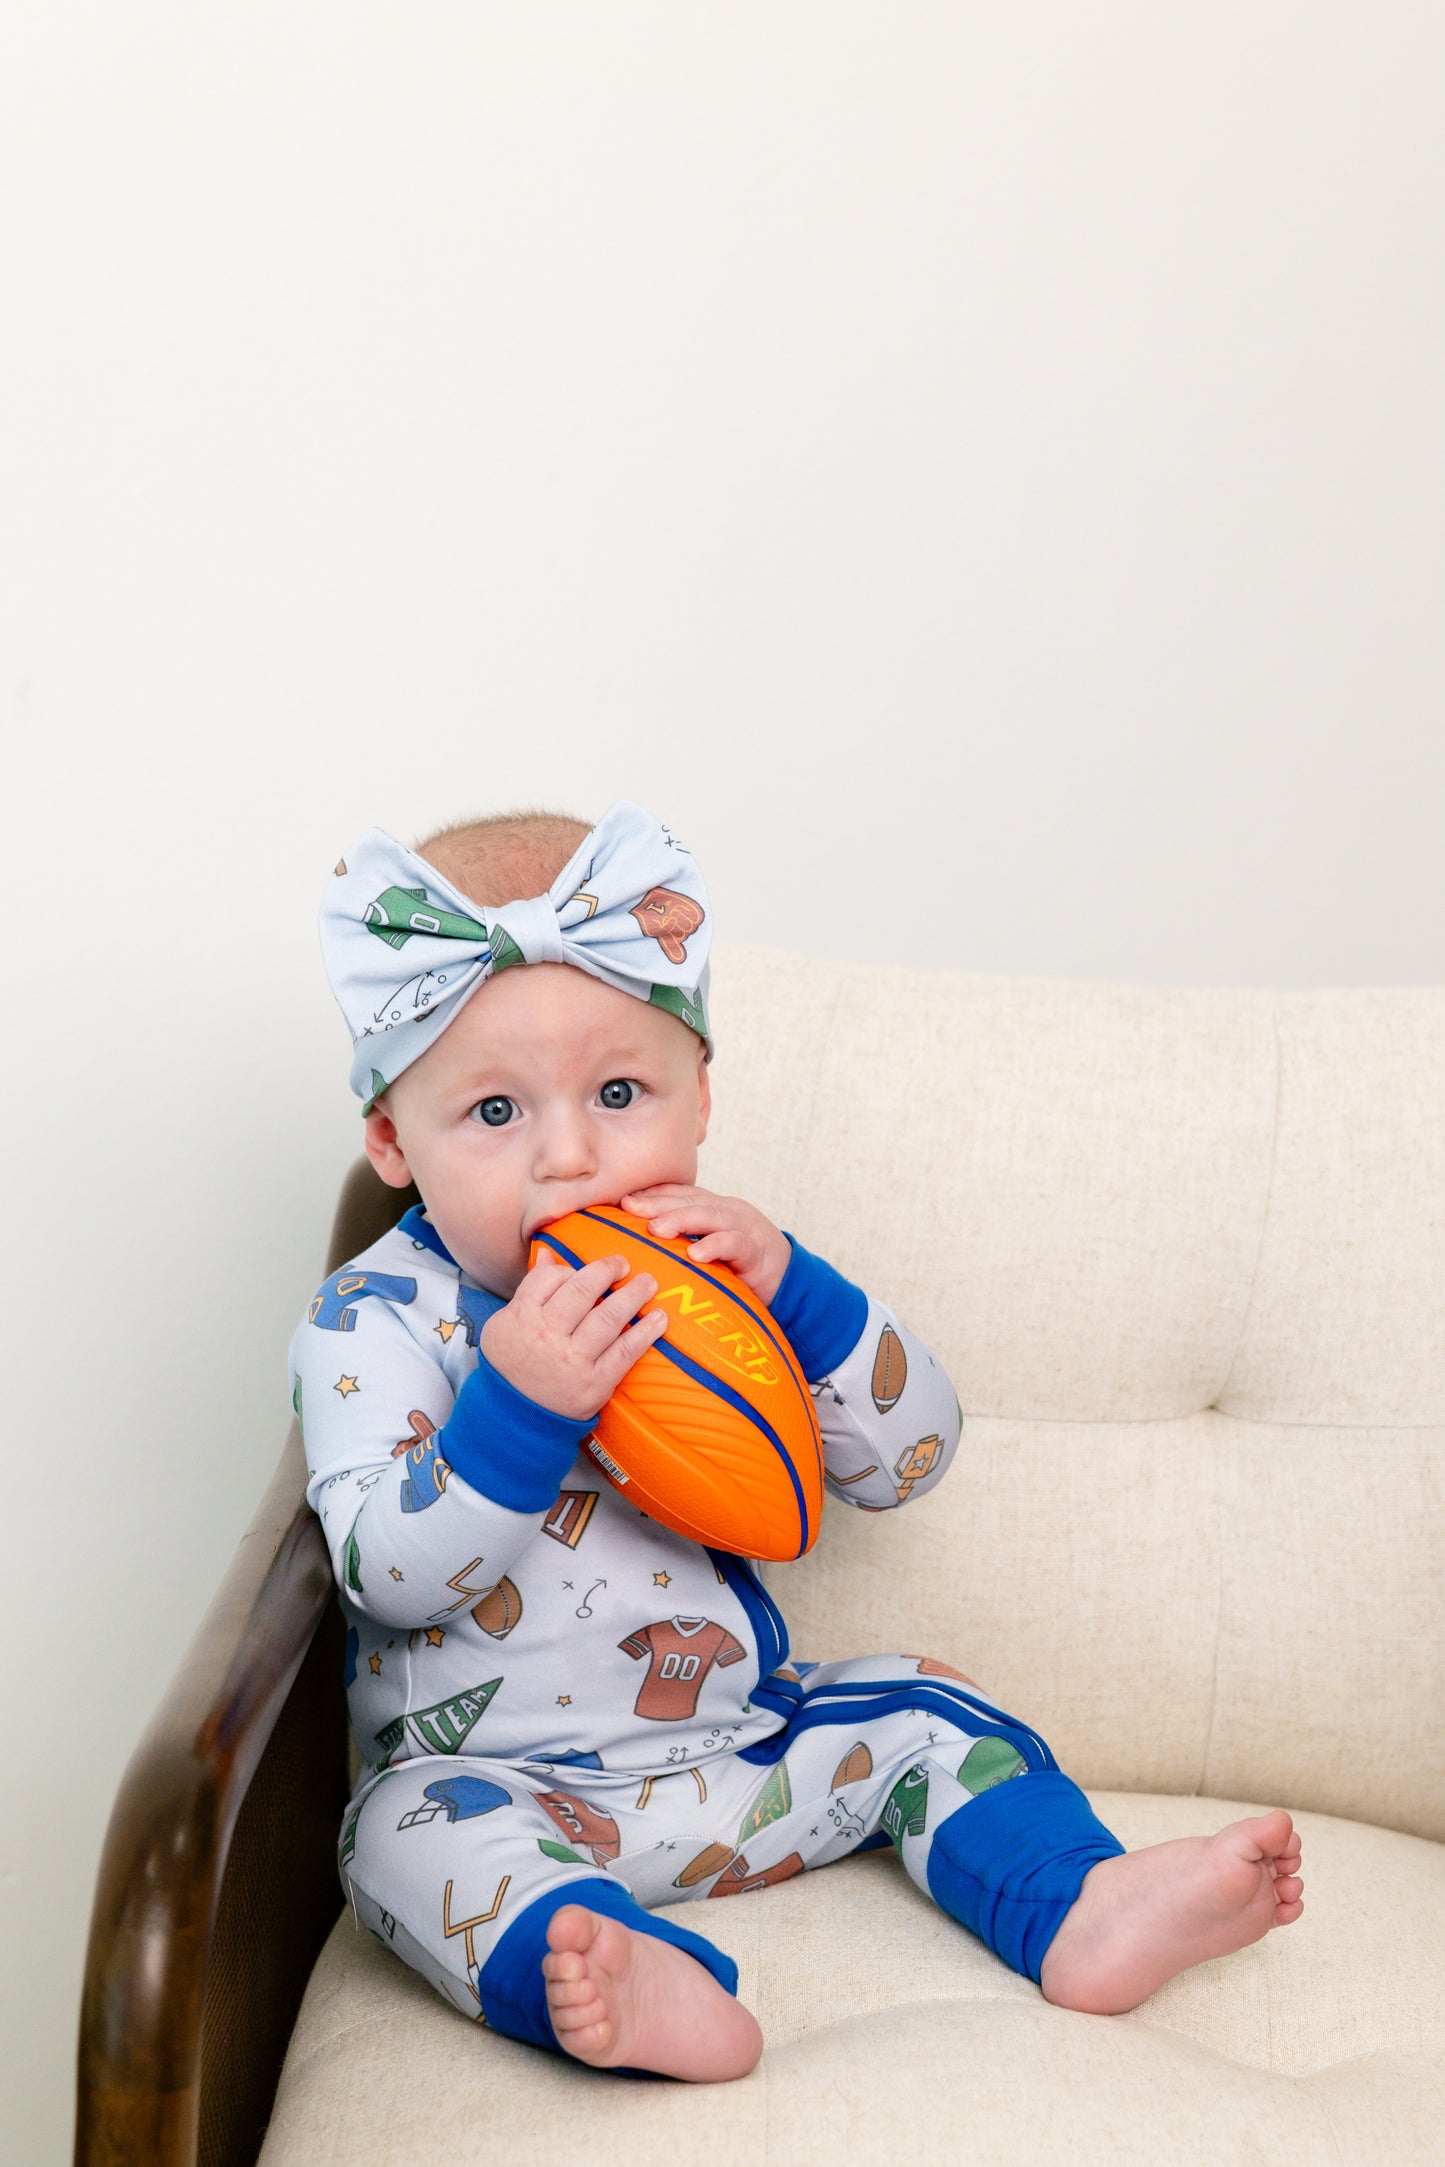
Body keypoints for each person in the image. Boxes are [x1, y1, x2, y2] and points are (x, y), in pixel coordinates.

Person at [289, 797, 1303, 2082]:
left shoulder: (722, 1272)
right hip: (501, 1789)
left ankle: (1077, 1906)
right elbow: (385, 1572)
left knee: (931, 1708)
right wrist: (520, 1400)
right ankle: (625, 1974)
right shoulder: (371, 1318)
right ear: (392, 1139)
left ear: (699, 1097)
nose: (571, 1156)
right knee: (396, 1840)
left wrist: (798, 1292)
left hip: (737, 1753)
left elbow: (912, 1458)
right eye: (493, 1114)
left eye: (618, 1091)